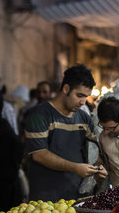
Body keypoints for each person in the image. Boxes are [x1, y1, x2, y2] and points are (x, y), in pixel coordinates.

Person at [25, 64, 107, 202]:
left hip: (77, 196)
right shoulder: (39, 115)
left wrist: (98, 169)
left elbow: (94, 150)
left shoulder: (84, 118)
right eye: (79, 95)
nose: (82, 102)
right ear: (66, 88)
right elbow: (39, 155)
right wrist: (75, 167)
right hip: (46, 199)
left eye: (86, 97)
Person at [96, 96, 119, 187]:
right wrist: (99, 170)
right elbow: (101, 162)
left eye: (112, 128)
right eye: (103, 127)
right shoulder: (103, 138)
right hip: (116, 194)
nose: (106, 131)